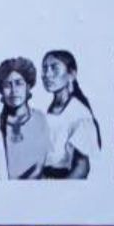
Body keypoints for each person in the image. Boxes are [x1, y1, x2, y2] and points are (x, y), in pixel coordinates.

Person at [40, 50, 100, 179]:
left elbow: (82, 167)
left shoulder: (79, 114)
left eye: (54, 68)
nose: (47, 74)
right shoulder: (49, 110)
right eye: (44, 69)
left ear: (71, 74)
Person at [0, 57, 49, 180]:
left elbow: (40, 164)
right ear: (1, 90)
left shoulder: (41, 119)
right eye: (8, 85)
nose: (14, 91)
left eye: (19, 83)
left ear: (28, 87)